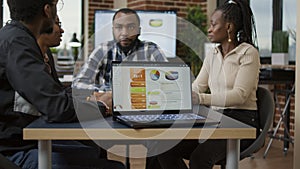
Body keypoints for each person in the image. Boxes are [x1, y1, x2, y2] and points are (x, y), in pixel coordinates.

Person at [0, 0, 125, 168]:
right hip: (13, 149)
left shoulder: (18, 39)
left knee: (92, 150)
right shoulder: (17, 43)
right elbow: (57, 107)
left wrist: (91, 98)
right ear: (47, 10)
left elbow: (55, 95)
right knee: (114, 166)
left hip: (23, 141)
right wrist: (103, 106)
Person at [157, 0, 261, 169]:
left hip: (242, 121)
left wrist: (201, 98)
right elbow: (197, 86)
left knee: (199, 159)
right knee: (163, 147)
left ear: (229, 27)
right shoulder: (213, 53)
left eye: (213, 24)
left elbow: (240, 95)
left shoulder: (248, 53)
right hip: (215, 119)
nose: (209, 29)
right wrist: (175, 98)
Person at [73, 8, 167, 169]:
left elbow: (166, 84)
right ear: (113, 30)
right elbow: (78, 83)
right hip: (109, 114)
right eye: (119, 27)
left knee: (160, 140)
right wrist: (103, 93)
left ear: (138, 30)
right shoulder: (102, 50)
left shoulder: (151, 50)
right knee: (93, 135)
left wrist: (122, 93)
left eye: (130, 27)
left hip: (143, 113)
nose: (124, 32)